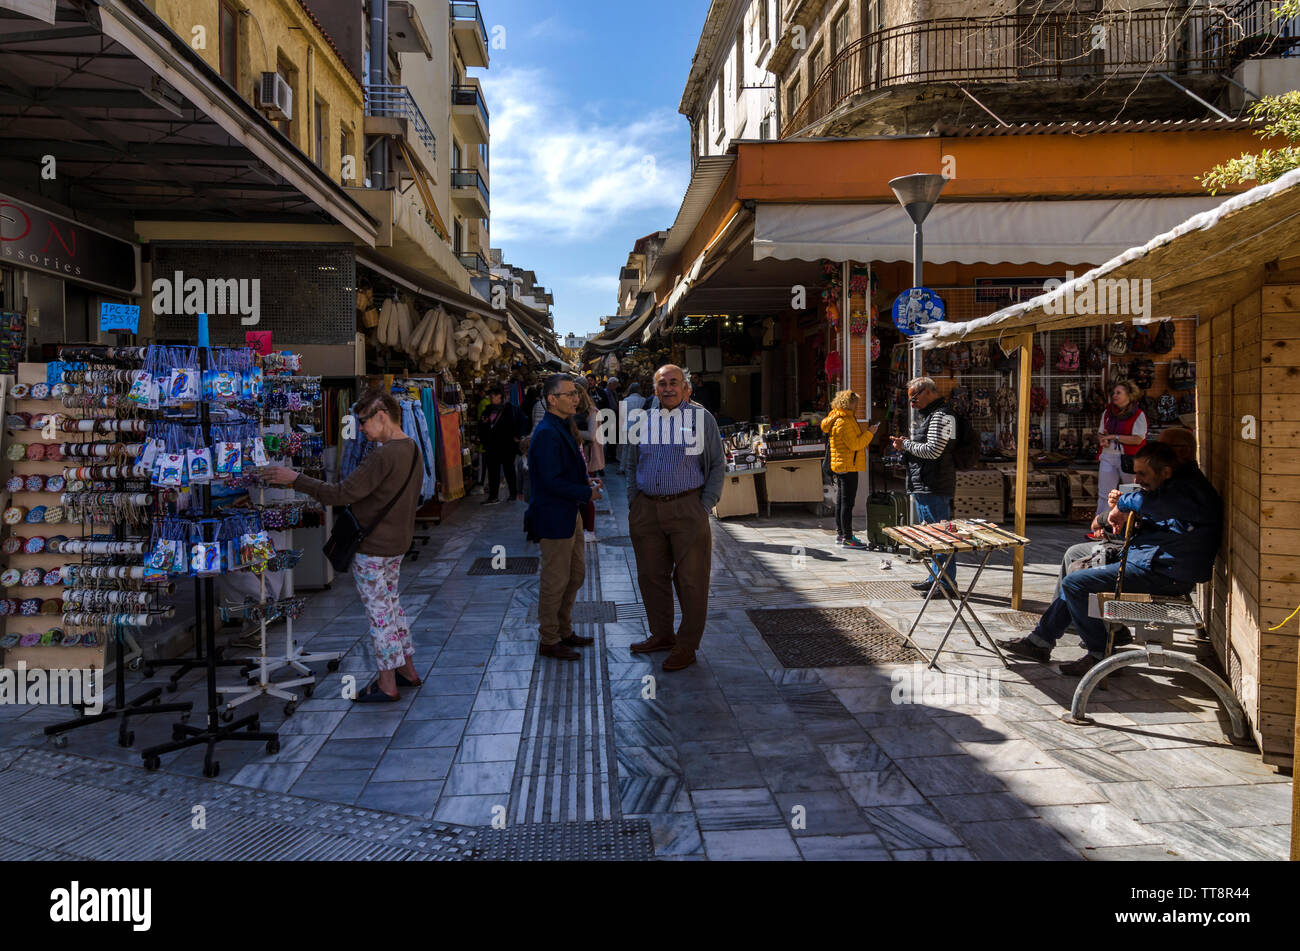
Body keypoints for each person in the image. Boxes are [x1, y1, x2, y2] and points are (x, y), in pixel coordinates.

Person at [999, 442, 1222, 676]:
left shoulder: (1188, 493)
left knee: (1076, 583)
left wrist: (1123, 504)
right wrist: (1118, 516)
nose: (1137, 479)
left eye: (1142, 474)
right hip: (1147, 557)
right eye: (1135, 473)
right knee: (1075, 555)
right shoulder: (1174, 486)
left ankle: (1100, 653)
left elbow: (1147, 505)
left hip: (1165, 572)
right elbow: (1157, 517)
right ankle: (1042, 641)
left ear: (1166, 471)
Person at [265, 389, 422, 702]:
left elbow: (339, 494)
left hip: (374, 548)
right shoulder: (412, 448)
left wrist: (295, 478)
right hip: (396, 545)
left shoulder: (383, 454)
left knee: (380, 616)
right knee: (392, 609)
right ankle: (407, 670)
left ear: (382, 416)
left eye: (364, 421)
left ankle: (386, 683)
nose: (360, 428)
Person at [624, 364, 725, 672]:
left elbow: (718, 465)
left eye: (673, 383)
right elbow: (630, 463)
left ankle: (687, 645)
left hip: (687, 509)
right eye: (661, 383)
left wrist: (704, 506)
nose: (667, 388)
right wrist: (634, 501)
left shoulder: (701, 418)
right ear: (654, 388)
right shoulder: (641, 419)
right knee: (651, 576)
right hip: (647, 510)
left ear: (686, 387)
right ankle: (662, 634)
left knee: (691, 580)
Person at [527, 374, 601, 661]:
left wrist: (587, 485)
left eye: (576, 394)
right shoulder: (546, 432)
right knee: (555, 580)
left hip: (569, 513)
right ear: (551, 399)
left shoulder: (561, 426)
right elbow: (549, 482)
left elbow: (567, 471)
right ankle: (549, 638)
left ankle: (563, 629)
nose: (576, 398)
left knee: (575, 574)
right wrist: (586, 494)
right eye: (569, 394)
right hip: (553, 515)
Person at [889, 376, 959, 593]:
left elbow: (934, 451)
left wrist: (906, 445)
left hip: (934, 484)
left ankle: (946, 582)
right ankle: (935, 578)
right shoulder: (935, 415)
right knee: (932, 536)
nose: (912, 404)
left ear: (928, 392)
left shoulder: (943, 416)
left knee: (940, 536)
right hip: (928, 483)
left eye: (914, 398)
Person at [820, 390, 880, 549]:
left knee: (841, 501)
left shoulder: (837, 418)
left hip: (842, 465)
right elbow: (855, 445)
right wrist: (870, 433)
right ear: (849, 404)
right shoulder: (844, 422)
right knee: (847, 503)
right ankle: (846, 537)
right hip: (848, 465)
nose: (857, 406)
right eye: (856, 403)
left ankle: (841, 534)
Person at [1094, 379, 1147, 523]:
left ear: (1129, 395)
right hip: (1108, 456)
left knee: (1132, 491)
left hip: (1129, 459)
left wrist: (1114, 437)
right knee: (1105, 493)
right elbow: (1100, 432)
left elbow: (1138, 439)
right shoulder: (1108, 412)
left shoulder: (1138, 414)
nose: (1115, 395)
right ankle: (1101, 524)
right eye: (1113, 393)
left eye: (1119, 393)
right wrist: (1102, 439)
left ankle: (1133, 524)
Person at [478, 385, 525, 505]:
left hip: (507, 446)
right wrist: (484, 436)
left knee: (509, 470)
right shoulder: (488, 410)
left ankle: (513, 494)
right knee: (493, 471)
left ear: (500, 396)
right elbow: (482, 425)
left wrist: (517, 437)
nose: (491, 397)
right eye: (490, 395)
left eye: (493, 395)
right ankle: (493, 496)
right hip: (491, 446)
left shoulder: (511, 409)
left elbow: (522, 422)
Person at [604, 376, 621, 470]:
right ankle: (607, 456)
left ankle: (612, 456)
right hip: (609, 416)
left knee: (613, 437)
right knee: (609, 437)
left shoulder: (614, 392)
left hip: (614, 415)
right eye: (614, 385)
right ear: (610, 384)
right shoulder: (606, 392)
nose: (616, 386)